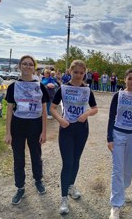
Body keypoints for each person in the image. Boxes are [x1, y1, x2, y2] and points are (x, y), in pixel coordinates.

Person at [50, 60, 98, 215]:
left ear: (85, 73)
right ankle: (64, 198)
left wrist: (86, 113)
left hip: (82, 129)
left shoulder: (87, 90)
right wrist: (60, 119)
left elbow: (95, 108)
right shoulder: (62, 88)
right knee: (67, 163)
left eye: (81, 73)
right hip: (66, 128)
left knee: (76, 160)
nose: (78, 75)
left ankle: (71, 186)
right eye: (75, 72)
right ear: (70, 71)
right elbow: (52, 108)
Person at [5, 55, 49, 205]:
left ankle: (38, 180)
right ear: (20, 66)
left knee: (36, 155)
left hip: (35, 125)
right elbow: (9, 110)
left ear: (34, 67)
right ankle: (20, 187)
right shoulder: (13, 87)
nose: (27, 66)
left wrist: (44, 131)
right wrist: (7, 132)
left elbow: (44, 111)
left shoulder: (40, 86)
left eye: (30, 64)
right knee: (18, 159)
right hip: (18, 125)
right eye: (25, 64)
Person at [107, 68, 132, 219]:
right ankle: (116, 205)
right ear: (125, 80)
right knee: (118, 169)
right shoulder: (118, 95)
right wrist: (109, 137)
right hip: (118, 134)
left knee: (128, 169)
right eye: (130, 78)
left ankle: (121, 192)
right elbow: (111, 117)